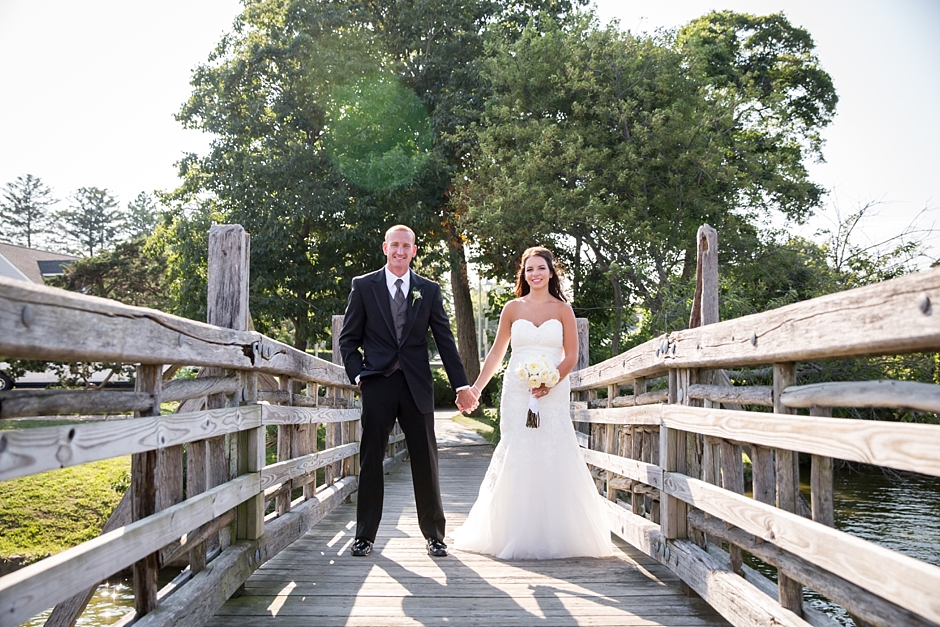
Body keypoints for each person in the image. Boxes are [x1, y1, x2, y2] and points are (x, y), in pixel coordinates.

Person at [452, 246, 612, 559]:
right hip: (517, 390)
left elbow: (572, 355)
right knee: (517, 448)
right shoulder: (512, 308)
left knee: (552, 448)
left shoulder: (563, 309)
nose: (535, 274)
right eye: (529, 269)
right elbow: (497, 354)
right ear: (523, 275)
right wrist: (476, 389)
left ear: (552, 272)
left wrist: (551, 380)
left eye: (541, 268)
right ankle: (512, 531)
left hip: (552, 390)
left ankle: (557, 533)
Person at [339, 225, 479, 558]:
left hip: (417, 386)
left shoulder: (428, 290)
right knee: (372, 459)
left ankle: (434, 535)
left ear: (414, 251)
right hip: (377, 384)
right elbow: (348, 339)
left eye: (407, 246)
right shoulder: (363, 286)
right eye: (395, 245)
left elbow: (444, 340)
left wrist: (461, 385)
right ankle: (365, 535)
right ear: (385, 247)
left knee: (425, 461)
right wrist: (358, 375)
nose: (400, 251)